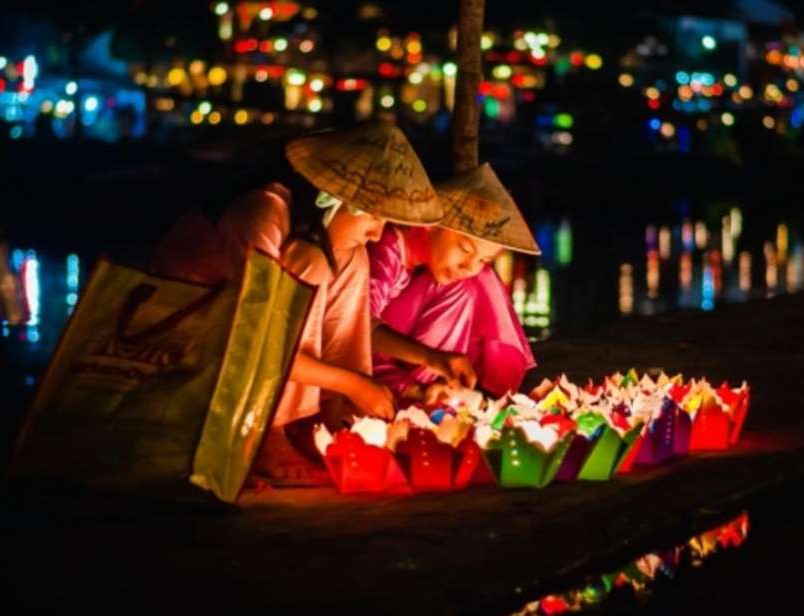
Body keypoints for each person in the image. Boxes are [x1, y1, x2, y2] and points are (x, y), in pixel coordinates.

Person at [154, 121, 443, 484]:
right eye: (372, 215)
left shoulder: (319, 233)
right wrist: (355, 383)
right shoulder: (262, 212)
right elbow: (258, 339)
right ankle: (267, 434)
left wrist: (356, 387)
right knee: (314, 263)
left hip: (246, 347)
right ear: (332, 200)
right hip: (188, 340)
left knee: (353, 258)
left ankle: (322, 418)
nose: (376, 232)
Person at [369, 163, 541, 403]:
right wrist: (432, 357)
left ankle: (433, 392)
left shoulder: (422, 265)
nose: (470, 266)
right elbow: (359, 327)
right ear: (432, 223)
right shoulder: (387, 248)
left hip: (387, 355)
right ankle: (422, 395)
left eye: (484, 259)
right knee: (459, 286)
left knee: (476, 281)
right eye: (465, 249)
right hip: (359, 354)